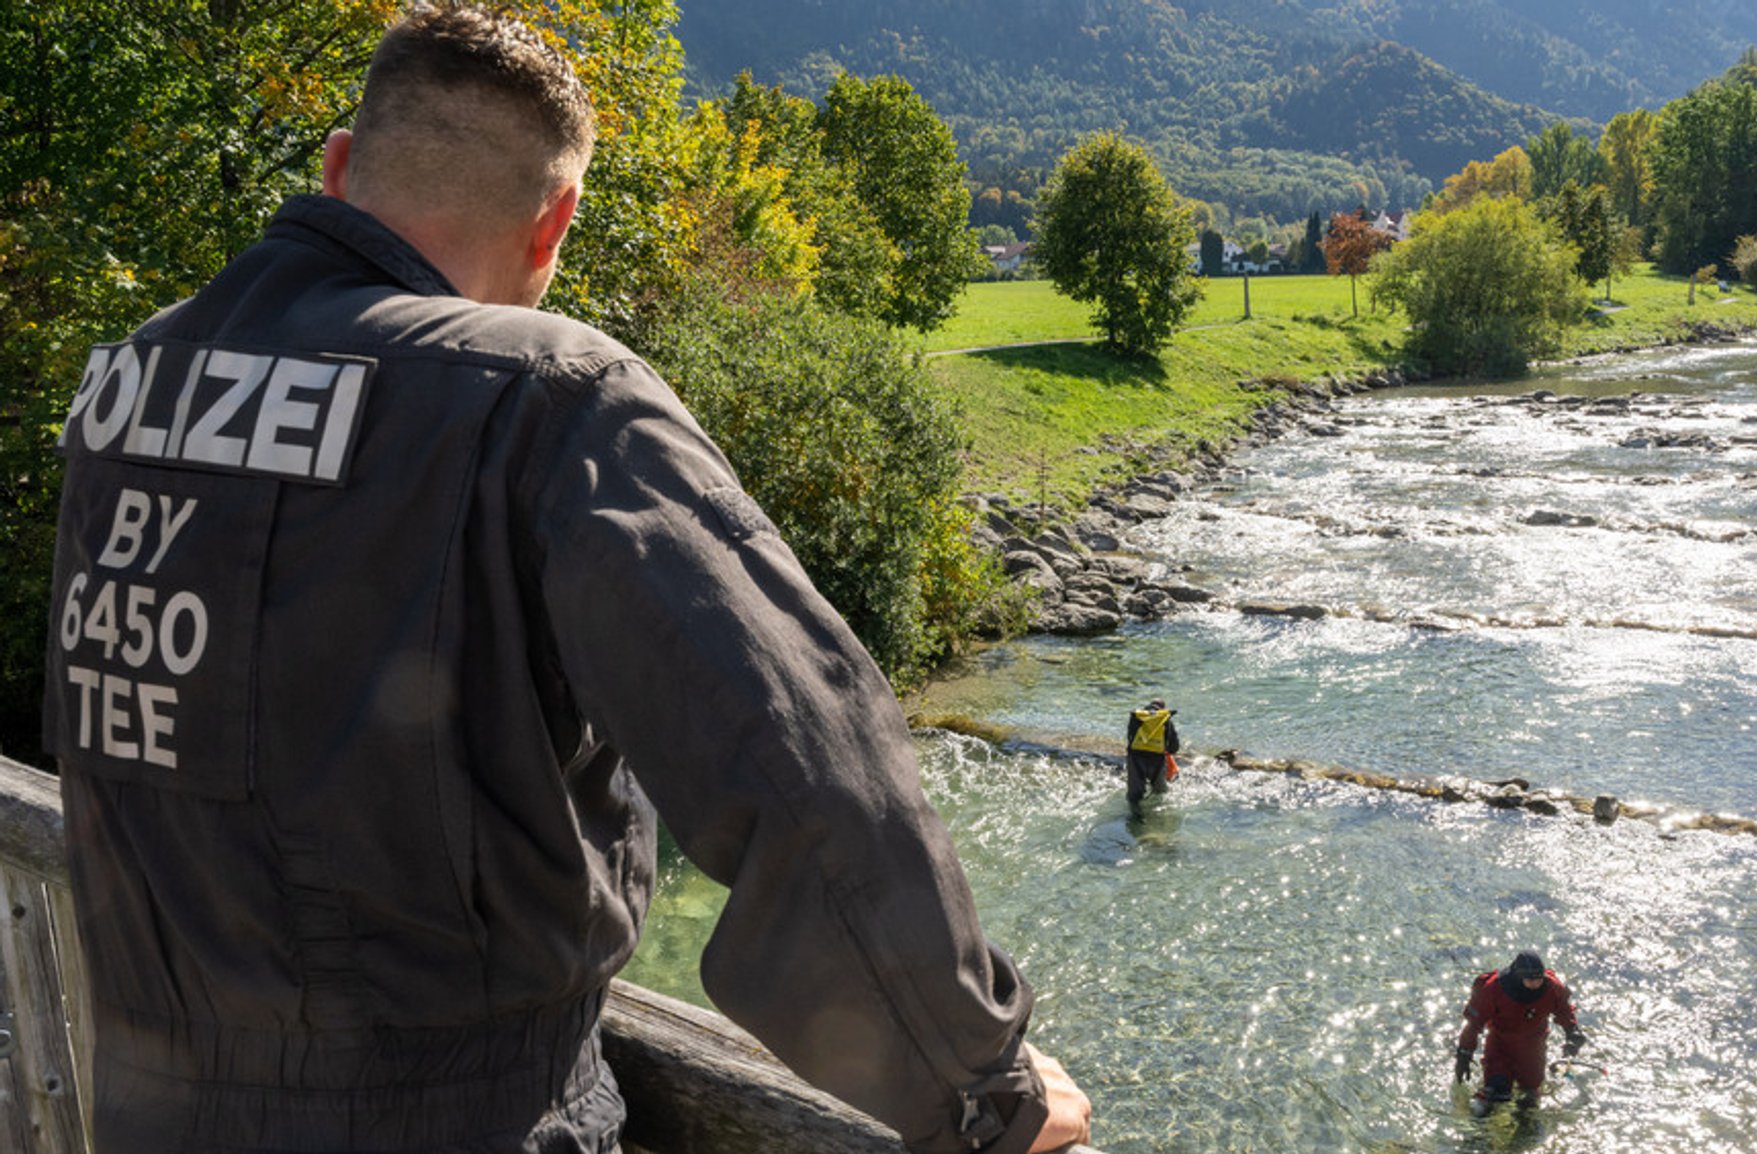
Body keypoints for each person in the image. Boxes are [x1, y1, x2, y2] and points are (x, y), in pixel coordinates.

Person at [41, 7, 1089, 1153]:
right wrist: (981, 1087)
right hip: (466, 1116)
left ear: (338, 168)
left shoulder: (138, 378)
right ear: (557, 222)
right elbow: (803, 759)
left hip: (150, 1107)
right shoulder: (542, 395)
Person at [1452, 951, 1588, 1113]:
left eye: (1539, 979)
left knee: (1529, 1096)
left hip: (1533, 1047)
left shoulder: (1552, 988)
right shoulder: (1493, 989)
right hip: (1500, 1045)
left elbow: (1564, 1012)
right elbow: (1473, 1025)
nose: (1536, 984)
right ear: (1518, 977)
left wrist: (1572, 1033)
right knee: (1496, 1091)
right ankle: (1477, 1131)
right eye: (1531, 980)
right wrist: (1464, 1054)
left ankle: (1526, 1131)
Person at [1124, 697, 1181, 807]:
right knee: (1160, 793)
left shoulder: (1137, 717)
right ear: (1163, 708)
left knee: (1134, 796)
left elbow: (1130, 739)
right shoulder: (1165, 719)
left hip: (1136, 759)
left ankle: (1136, 816)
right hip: (1157, 761)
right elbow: (1174, 747)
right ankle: (1157, 818)